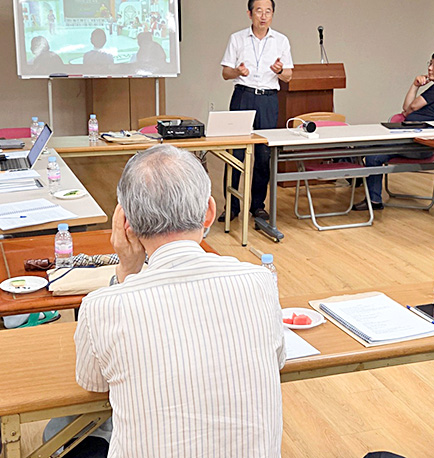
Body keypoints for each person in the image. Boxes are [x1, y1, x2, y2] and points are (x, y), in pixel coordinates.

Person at [71, 144, 284, 457]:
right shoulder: (259, 281)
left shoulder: (102, 306)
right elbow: (277, 361)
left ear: (125, 222)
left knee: (74, 438)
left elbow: (92, 383)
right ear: (209, 212)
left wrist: (127, 270)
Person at [219, 0, 293, 222]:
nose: (263, 15)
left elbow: (288, 76)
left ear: (273, 14)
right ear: (250, 13)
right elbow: (225, 73)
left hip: (268, 100)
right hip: (244, 96)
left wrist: (280, 70)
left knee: (263, 155)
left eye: (268, 11)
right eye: (259, 10)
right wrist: (237, 72)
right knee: (236, 153)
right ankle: (231, 206)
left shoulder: (281, 41)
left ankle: (258, 206)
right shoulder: (237, 39)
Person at [354, 49, 434, 210]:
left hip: (420, 145)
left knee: (373, 155)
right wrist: (415, 85)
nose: (430, 68)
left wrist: (412, 102)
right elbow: (406, 108)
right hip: (411, 138)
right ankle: (366, 187)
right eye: (430, 64)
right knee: (364, 145)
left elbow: (411, 107)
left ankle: (373, 199)